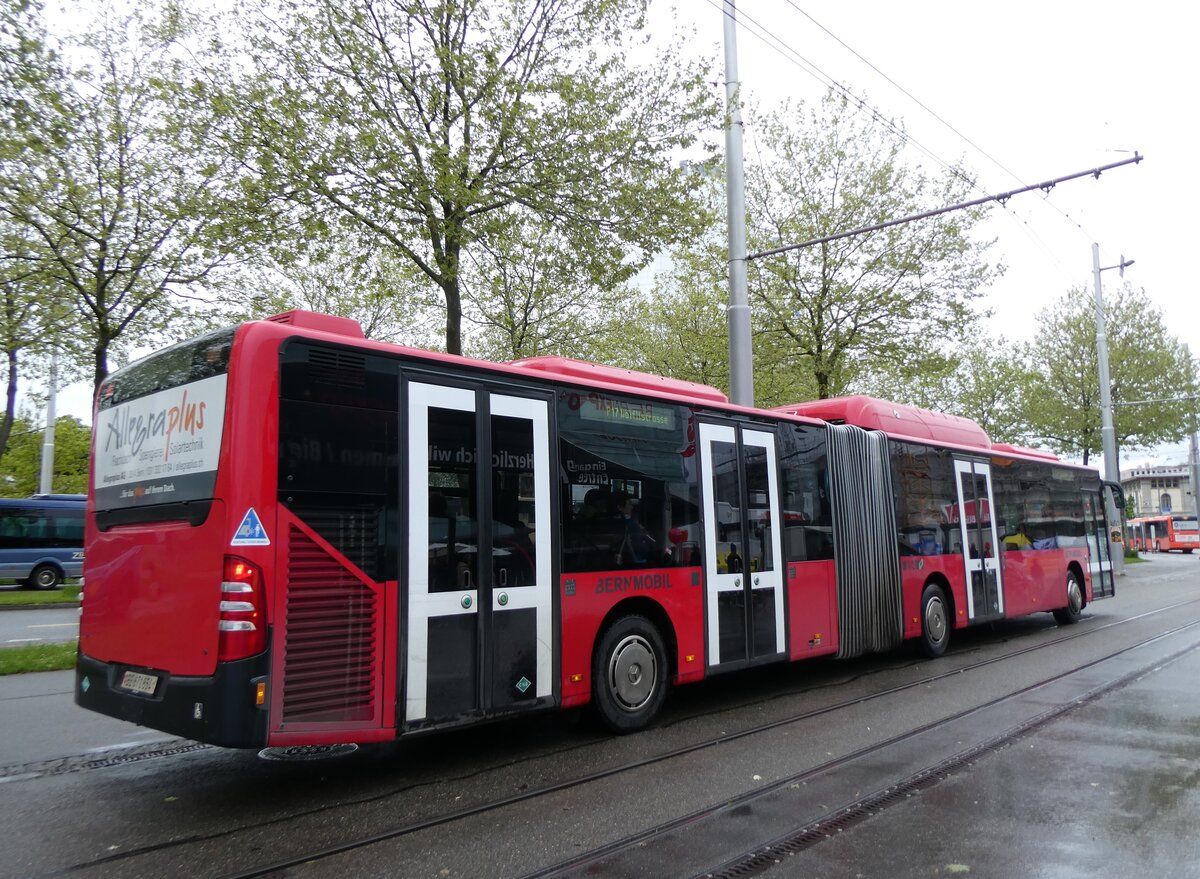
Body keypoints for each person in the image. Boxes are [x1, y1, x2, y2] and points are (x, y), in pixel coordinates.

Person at [614, 492, 655, 565]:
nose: (632, 507)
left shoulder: (634, 522)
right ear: (620, 507)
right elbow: (649, 541)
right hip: (632, 561)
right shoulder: (628, 524)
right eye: (629, 504)